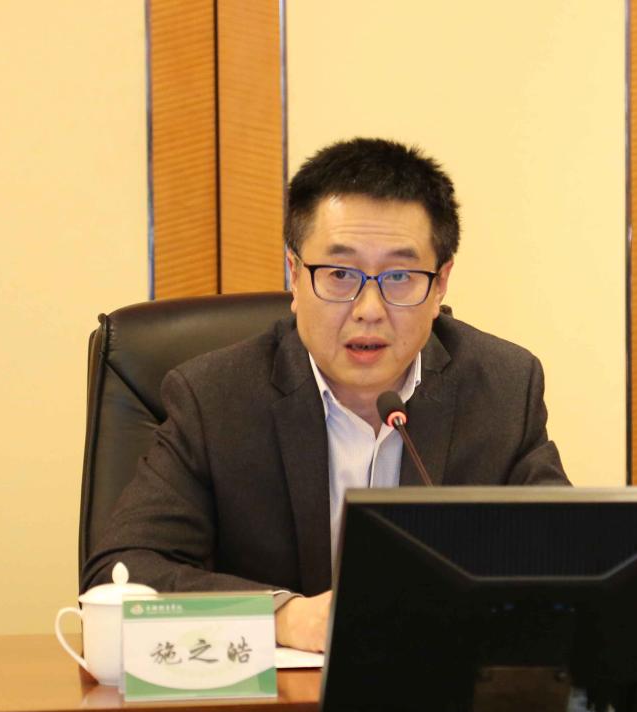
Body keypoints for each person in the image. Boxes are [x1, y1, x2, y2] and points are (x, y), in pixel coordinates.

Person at [82, 137, 568, 651]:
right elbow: (122, 572)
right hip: (275, 698)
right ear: (295, 276)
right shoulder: (214, 398)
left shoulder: (502, 387)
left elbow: (568, 557)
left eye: (400, 276)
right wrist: (283, 617)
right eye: (339, 274)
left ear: (440, 284)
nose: (369, 309)